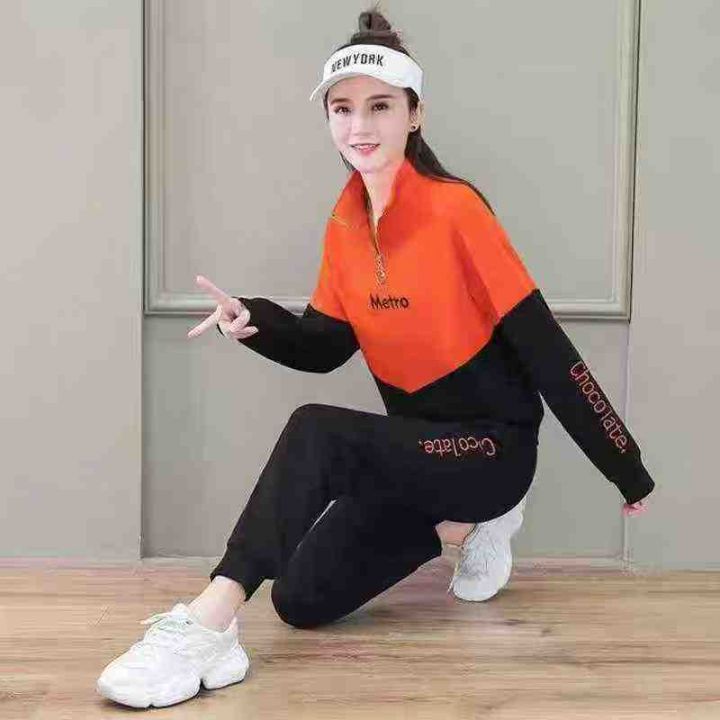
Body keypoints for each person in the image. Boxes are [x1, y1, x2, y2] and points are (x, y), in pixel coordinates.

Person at [96, 5, 655, 709]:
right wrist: (255, 321)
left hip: (491, 448)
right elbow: (326, 347)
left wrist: (625, 466)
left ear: (414, 115)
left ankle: (209, 620)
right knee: (301, 599)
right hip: (417, 452)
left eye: (380, 106)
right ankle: (459, 528)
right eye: (343, 109)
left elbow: (549, 351)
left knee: (318, 430)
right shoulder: (346, 224)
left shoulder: (457, 211)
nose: (359, 126)